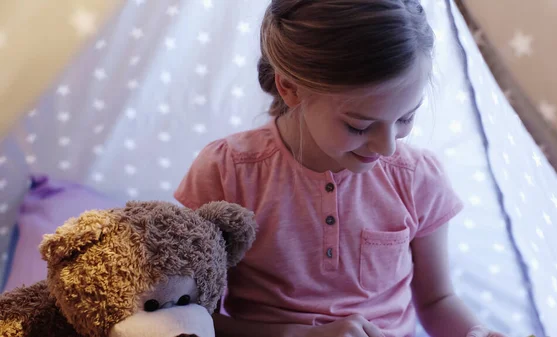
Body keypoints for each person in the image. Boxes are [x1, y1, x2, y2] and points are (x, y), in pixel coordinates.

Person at [174, 1, 508, 336]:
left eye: (405, 118)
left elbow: (437, 300)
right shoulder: (227, 171)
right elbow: (193, 317)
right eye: (359, 126)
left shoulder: (418, 177)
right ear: (290, 88)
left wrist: (477, 333)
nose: (387, 146)